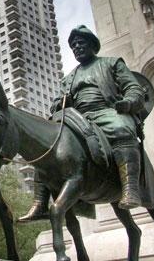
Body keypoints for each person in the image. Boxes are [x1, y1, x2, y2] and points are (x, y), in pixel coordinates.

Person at [19, 25, 146, 222]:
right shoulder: (68, 78)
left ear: (92, 45)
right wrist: (61, 103)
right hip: (77, 118)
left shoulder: (112, 63)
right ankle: (40, 202)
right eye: (74, 45)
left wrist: (128, 102)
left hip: (107, 111)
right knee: (47, 147)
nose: (77, 47)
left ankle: (130, 188)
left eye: (81, 43)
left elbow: (133, 88)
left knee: (121, 128)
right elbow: (55, 103)